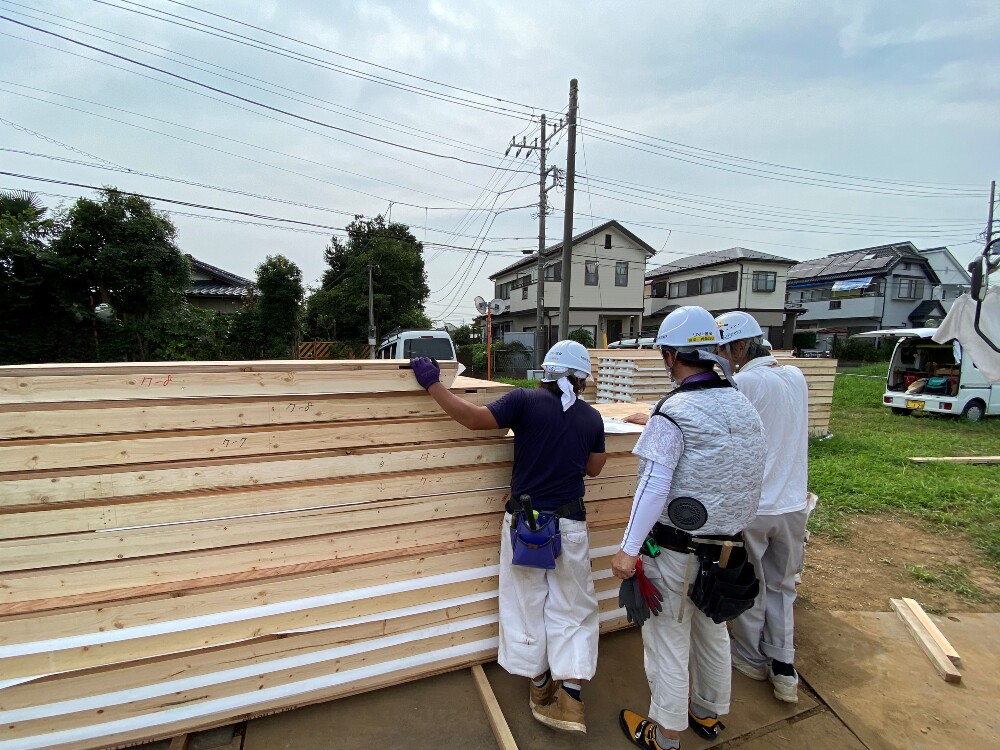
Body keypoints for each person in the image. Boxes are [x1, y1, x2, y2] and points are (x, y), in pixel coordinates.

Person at [410, 340, 607, 734]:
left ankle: (538, 688)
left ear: (546, 372)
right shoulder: (591, 418)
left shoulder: (524, 401)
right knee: (573, 608)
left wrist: (433, 385)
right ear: (581, 378)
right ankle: (570, 700)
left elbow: (475, 419)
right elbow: (595, 468)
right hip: (569, 527)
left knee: (524, 604)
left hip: (527, 526)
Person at [611, 306, 766, 750]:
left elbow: (654, 484)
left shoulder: (675, 411)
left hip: (679, 550)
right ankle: (708, 712)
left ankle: (666, 734)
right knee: (713, 628)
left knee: (668, 636)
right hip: (729, 548)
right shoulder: (741, 403)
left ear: (669, 355)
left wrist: (628, 548)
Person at [715, 311, 809, 703]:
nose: (721, 358)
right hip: (793, 503)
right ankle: (784, 666)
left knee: (750, 582)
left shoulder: (745, 382)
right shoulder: (796, 378)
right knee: (783, 585)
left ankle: (752, 658)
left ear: (739, 346)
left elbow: (718, 428)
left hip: (756, 504)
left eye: (722, 349)